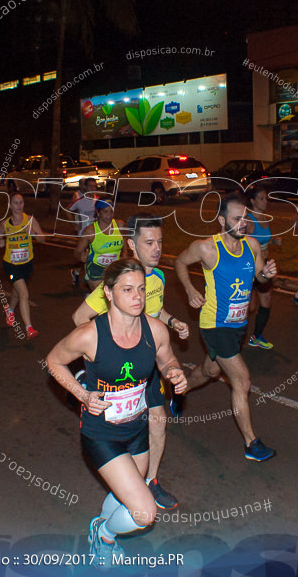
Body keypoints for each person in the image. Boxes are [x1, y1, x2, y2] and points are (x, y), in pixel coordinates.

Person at [46, 259, 187, 562]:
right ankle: (105, 536)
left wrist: (175, 372)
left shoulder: (156, 330)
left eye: (141, 288)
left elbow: (167, 361)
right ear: (109, 293)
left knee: (127, 493)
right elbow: (54, 361)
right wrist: (82, 394)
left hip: (136, 431)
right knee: (144, 512)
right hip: (102, 434)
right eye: (127, 290)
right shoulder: (90, 335)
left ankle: (101, 523)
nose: (138, 296)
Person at [73, 214, 190, 510]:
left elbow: (156, 310)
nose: (156, 248)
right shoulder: (120, 284)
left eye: (160, 242)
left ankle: (150, 481)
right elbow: (79, 318)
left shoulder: (158, 277)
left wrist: (173, 322)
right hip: (120, 370)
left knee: (158, 420)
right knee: (127, 426)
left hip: (148, 363)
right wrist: (106, 347)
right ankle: (127, 484)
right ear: (131, 244)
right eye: (149, 242)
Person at [174, 194, 278, 461]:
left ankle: (180, 390)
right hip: (215, 324)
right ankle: (251, 444)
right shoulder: (207, 248)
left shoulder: (252, 245)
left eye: (245, 217)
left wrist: (266, 274)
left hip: (238, 326)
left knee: (210, 370)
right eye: (236, 218)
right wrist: (189, 289)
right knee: (241, 380)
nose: (243, 223)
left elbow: (259, 277)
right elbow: (180, 262)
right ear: (222, 221)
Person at [0, 192, 47, 338]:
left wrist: (33, 233)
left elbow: (43, 239)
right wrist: (0, 241)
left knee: (17, 292)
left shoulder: (30, 220)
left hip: (27, 263)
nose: (19, 205)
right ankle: (29, 328)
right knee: (24, 293)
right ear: (10, 205)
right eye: (16, 203)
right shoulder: (5, 224)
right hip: (11, 264)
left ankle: (10, 310)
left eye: (21, 202)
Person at [245, 188, 281, 349]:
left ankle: (256, 336)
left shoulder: (264, 219)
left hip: (264, 266)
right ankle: (232, 335)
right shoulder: (249, 221)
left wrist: (273, 242)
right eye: (261, 198)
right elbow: (239, 243)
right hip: (250, 267)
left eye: (266, 198)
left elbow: (263, 240)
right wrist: (256, 251)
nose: (265, 201)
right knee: (250, 307)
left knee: (266, 301)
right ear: (252, 201)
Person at [74, 199, 123, 291]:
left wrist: (125, 258)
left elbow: (124, 242)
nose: (109, 215)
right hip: (96, 268)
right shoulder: (90, 231)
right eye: (106, 211)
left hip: (115, 268)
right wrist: (81, 257)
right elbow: (77, 252)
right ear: (98, 212)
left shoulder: (120, 226)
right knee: (103, 299)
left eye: (111, 211)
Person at [68, 177, 100, 286]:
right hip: (84, 233)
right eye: (90, 186)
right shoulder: (80, 201)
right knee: (86, 256)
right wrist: (74, 224)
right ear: (85, 187)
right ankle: (89, 282)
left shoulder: (98, 201)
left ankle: (76, 271)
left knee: (92, 257)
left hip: (96, 233)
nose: (92, 188)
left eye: (94, 186)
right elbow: (68, 210)